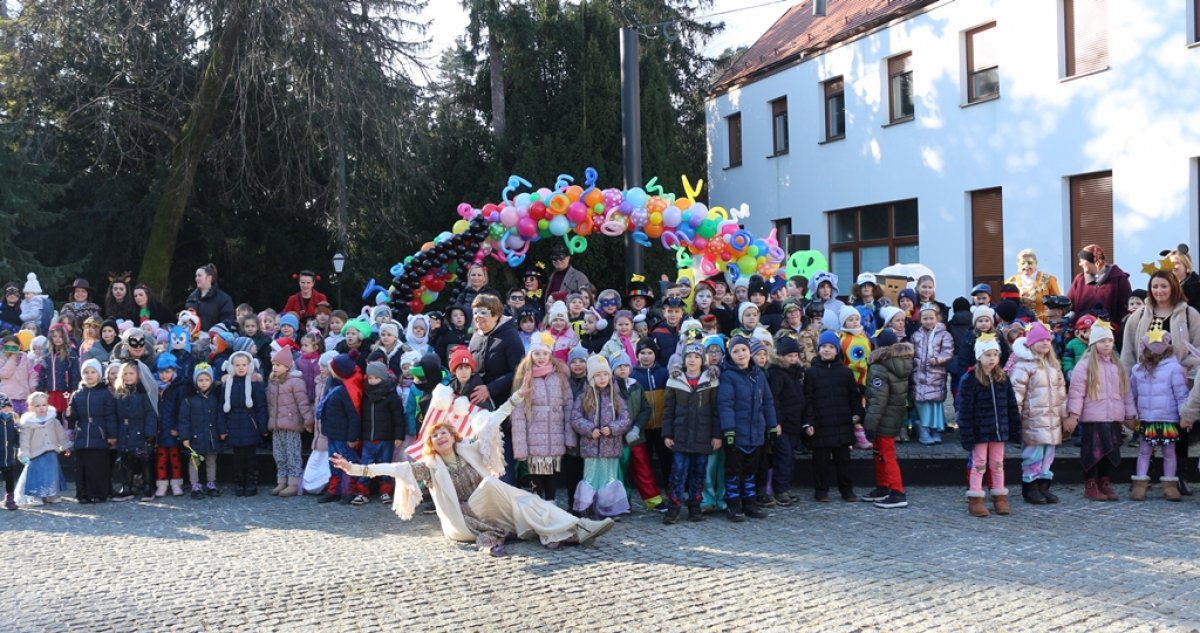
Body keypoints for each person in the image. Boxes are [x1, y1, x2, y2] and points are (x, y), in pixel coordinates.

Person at [330, 385, 614, 557]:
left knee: (528, 502)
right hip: (465, 516)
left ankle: (575, 529)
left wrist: (516, 398)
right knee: (498, 488)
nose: (441, 437)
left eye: (444, 433)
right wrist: (354, 468)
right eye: (435, 436)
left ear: (453, 436)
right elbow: (391, 468)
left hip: (489, 504)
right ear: (431, 443)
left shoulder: (469, 450)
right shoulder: (429, 467)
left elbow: (494, 420)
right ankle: (571, 528)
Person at [1120, 270, 1200, 495]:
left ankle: (1177, 478)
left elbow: (1198, 345)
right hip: (1146, 380)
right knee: (1146, 434)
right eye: (1155, 287)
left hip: (1178, 378)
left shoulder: (1188, 314)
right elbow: (1128, 351)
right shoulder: (1139, 316)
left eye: (1163, 286)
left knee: (1178, 433)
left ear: (1173, 287)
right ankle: (1144, 477)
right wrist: (1127, 381)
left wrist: (1186, 365)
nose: (1159, 291)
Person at [1066, 321, 1136, 501]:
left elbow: (1126, 393)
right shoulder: (1085, 365)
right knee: (1093, 452)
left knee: (1109, 451)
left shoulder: (1117, 366)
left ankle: (1105, 482)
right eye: (1102, 341)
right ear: (1093, 343)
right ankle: (1090, 484)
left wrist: (1129, 415)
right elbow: (1076, 392)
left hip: (1113, 417)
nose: (1106, 344)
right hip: (1093, 418)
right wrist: (1073, 415)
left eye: (1109, 341)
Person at [717, 336, 778, 521]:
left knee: (751, 471)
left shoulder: (758, 374)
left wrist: (772, 425)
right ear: (730, 355)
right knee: (734, 471)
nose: (741, 354)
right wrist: (728, 430)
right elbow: (725, 404)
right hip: (737, 433)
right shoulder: (728, 375)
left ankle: (749, 503)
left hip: (756, 432)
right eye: (736, 351)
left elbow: (767, 401)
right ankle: (733, 505)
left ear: (749, 352)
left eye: (743, 350)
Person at [466, 293, 524, 484]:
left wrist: (490, 388)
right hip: (478, 406)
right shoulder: (475, 336)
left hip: (502, 404)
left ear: (496, 314)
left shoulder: (510, 336)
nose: (478, 317)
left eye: (484, 312)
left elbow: (518, 371)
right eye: (475, 312)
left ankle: (506, 495)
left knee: (501, 451)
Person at [957, 335, 1017, 518]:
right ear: (979, 357)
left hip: (999, 431)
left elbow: (1011, 405)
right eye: (987, 354)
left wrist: (1014, 428)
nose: (992, 358)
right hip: (980, 431)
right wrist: (967, 433)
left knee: (998, 464)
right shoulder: (970, 380)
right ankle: (976, 499)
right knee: (979, 464)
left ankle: (999, 496)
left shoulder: (1003, 378)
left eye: (995, 354)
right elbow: (965, 410)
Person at [1009, 322, 1068, 505]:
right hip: (1033, 418)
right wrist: (1015, 418)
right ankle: (1030, 486)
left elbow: (1061, 392)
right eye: (1040, 340)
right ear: (1031, 343)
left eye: (1047, 340)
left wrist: (1064, 414)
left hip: (1051, 419)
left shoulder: (1053, 365)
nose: (1045, 343)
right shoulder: (1024, 366)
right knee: (1033, 454)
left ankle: (1044, 485)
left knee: (1048, 453)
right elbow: (1016, 393)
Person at [661, 342, 721, 523]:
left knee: (699, 472)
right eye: (689, 356)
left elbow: (716, 411)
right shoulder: (674, 380)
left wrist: (717, 435)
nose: (692, 360)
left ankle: (695, 505)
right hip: (681, 435)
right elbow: (668, 410)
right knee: (678, 471)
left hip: (703, 436)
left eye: (696, 357)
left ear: (702, 360)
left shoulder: (711, 381)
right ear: (684, 359)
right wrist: (667, 434)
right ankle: (674, 506)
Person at [509, 332, 572, 503]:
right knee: (536, 473)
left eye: (545, 353)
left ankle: (551, 502)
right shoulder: (525, 377)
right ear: (531, 354)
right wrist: (520, 446)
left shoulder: (559, 376)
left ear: (550, 354)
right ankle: (538, 503)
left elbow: (568, 404)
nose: (541, 357)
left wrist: (569, 436)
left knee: (551, 472)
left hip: (555, 434)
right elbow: (518, 413)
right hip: (534, 434)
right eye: (537, 353)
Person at [1128, 330, 1189, 501]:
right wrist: (1130, 414)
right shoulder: (1138, 369)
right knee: (1145, 452)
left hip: (1168, 418)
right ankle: (1140, 486)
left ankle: (1170, 487)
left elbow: (1181, 394)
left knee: (1168, 452)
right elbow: (1131, 394)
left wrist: (1185, 415)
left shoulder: (1174, 368)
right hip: (1147, 418)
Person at [569, 355, 631, 518]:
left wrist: (612, 428)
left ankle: (608, 509)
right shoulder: (584, 397)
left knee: (608, 478)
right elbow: (575, 418)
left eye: (605, 375)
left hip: (610, 447)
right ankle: (587, 508)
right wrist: (590, 429)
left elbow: (625, 418)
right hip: (590, 447)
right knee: (590, 477)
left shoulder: (616, 397)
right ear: (591, 378)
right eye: (598, 375)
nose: (602, 378)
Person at [861, 329, 913, 509]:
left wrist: (869, 425)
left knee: (886, 454)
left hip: (883, 417)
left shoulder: (880, 366)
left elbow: (877, 400)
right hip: (895, 414)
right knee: (880, 453)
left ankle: (897, 492)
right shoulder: (901, 362)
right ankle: (883, 487)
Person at [267, 347, 315, 498]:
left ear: (287, 366)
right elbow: (270, 405)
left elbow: (303, 403)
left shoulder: (296, 382)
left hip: (291, 426)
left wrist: (308, 419)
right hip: (277, 425)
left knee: (292, 454)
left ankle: (293, 482)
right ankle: (282, 480)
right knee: (279, 454)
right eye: (273, 365)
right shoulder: (273, 383)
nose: (274, 368)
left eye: (278, 365)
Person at [222, 350, 269, 496]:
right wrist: (222, 428)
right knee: (237, 458)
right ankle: (239, 483)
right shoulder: (228, 384)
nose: (241, 368)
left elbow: (261, 407)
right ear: (231, 366)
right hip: (233, 425)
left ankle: (251, 483)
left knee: (251, 458)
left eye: (244, 365)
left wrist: (263, 427)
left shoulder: (255, 385)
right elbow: (221, 408)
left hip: (251, 425)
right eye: (237, 365)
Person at [766, 336, 805, 507]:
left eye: (795, 355)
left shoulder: (796, 372)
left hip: (794, 422)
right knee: (784, 456)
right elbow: (775, 400)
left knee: (790, 458)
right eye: (789, 356)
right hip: (783, 423)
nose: (792, 359)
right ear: (781, 356)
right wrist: (777, 422)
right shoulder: (776, 373)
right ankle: (780, 489)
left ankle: (786, 488)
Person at [112, 361, 158, 502]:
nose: (128, 376)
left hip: (140, 429)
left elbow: (150, 414)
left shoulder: (144, 393)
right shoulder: (119, 393)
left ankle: (148, 488)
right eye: (125, 373)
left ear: (138, 375)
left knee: (145, 460)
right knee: (126, 461)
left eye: (131, 373)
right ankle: (126, 488)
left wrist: (150, 433)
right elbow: (115, 415)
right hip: (124, 430)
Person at [14, 392, 70, 506]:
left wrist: (65, 446)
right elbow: (24, 440)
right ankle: (36, 496)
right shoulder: (28, 423)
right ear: (31, 407)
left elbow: (60, 434)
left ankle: (51, 494)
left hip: (52, 451)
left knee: (52, 473)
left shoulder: (53, 420)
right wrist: (24, 453)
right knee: (37, 474)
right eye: (37, 406)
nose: (41, 408)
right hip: (36, 453)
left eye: (44, 405)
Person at [178, 363, 223, 499]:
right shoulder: (189, 399)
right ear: (195, 381)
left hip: (211, 435)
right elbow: (184, 419)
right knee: (194, 461)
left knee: (211, 460)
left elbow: (219, 416)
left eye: (207, 380)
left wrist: (221, 431)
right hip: (195, 436)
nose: (204, 383)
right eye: (200, 380)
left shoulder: (215, 397)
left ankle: (211, 482)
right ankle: (195, 484)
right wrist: (185, 436)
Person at [911, 305, 953, 445]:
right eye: (925, 318)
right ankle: (923, 428)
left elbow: (948, 352)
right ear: (920, 319)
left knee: (934, 404)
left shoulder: (944, 335)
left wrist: (937, 359)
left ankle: (935, 428)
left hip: (935, 375)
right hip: (919, 375)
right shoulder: (916, 336)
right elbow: (912, 353)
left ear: (937, 318)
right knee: (922, 403)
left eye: (931, 318)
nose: (928, 321)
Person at [1068, 244, 1131, 327]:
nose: (1080, 264)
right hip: (1082, 333)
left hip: (1109, 335)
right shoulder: (1079, 280)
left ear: (1092, 260)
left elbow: (1125, 308)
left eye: (1082, 260)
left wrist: (1118, 330)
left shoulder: (1119, 278)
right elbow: (1069, 306)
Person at [154, 354, 188, 497]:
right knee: (161, 458)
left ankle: (176, 483)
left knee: (174, 457)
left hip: (172, 428)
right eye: (161, 372)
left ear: (174, 371)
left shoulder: (178, 388)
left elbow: (182, 409)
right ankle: (161, 483)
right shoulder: (155, 386)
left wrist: (178, 427)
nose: (164, 375)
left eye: (167, 372)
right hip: (160, 428)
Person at [1005, 249, 1062, 323]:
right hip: (1018, 324)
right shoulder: (1011, 282)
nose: (1026, 266)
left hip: (1043, 324)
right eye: (1023, 263)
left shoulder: (1049, 280)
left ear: (1036, 263)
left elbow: (1058, 303)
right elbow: (1006, 305)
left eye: (1030, 263)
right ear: (1018, 264)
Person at [185, 263, 236, 330]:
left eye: (199, 276)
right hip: (192, 338)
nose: (196, 278)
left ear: (209, 278)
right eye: (196, 276)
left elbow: (227, 322)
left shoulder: (224, 299)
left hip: (214, 338)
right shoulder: (191, 298)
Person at [0, 394, 17, 510]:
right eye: (3, 407)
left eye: (8, 406)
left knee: (9, 478)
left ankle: (10, 498)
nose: (6, 409)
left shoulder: (13, 420)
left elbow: (16, 436)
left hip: (9, 456)